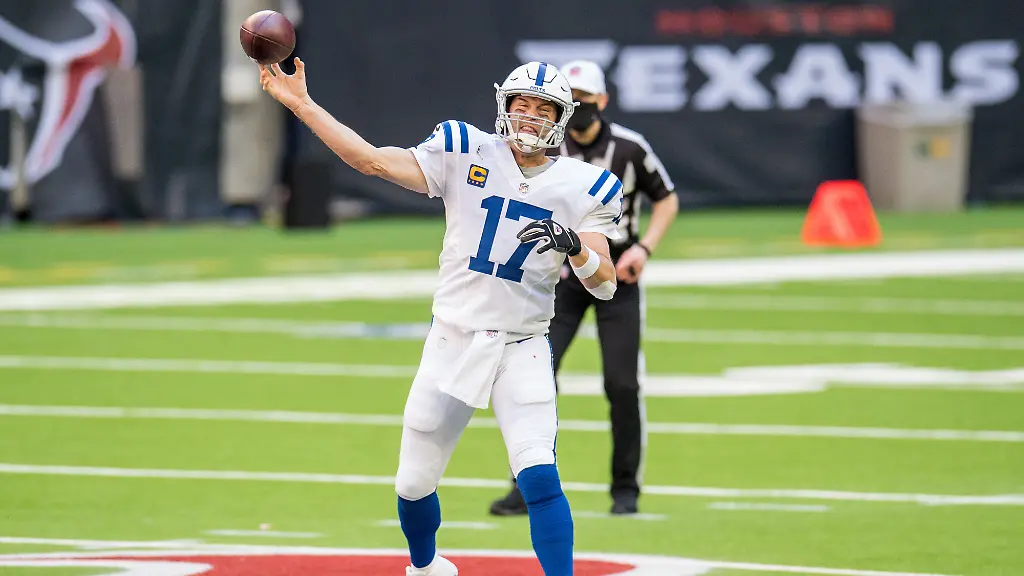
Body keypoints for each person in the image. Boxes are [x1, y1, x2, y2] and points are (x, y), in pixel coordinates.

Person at [259, 58, 624, 576]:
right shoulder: (465, 149)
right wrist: (302, 104)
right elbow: (372, 162)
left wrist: (576, 249)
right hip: (454, 337)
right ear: (503, 107)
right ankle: (426, 567)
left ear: (561, 118)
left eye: (542, 109)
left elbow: (605, 284)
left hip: (522, 345)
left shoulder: (584, 185)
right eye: (521, 106)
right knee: (412, 483)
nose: (529, 118)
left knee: (539, 475)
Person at [489, 60, 679, 517]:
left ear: (603, 102)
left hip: (617, 277)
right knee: (534, 379)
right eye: (577, 100)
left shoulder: (630, 149)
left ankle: (625, 487)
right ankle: (526, 484)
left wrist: (644, 250)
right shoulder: (543, 149)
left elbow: (667, 197)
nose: (584, 109)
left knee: (621, 382)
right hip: (562, 281)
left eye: (590, 100)